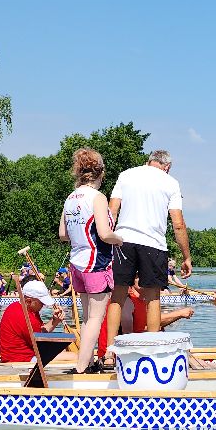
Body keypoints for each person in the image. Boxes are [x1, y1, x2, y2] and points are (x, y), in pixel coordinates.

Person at [108, 149, 194, 334]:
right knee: (153, 297)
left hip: (123, 241)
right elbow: (178, 224)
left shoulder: (126, 175)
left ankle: (109, 353)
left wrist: (106, 242)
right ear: (167, 167)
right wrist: (186, 257)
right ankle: (153, 349)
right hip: (153, 244)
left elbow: (112, 211)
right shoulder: (171, 183)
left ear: (149, 161)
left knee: (118, 296)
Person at [59, 146, 121, 372]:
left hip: (76, 263)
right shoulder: (98, 197)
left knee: (87, 318)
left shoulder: (70, 197)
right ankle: (82, 367)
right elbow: (105, 234)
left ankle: (87, 362)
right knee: (95, 318)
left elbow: (63, 234)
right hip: (96, 263)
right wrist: (119, 239)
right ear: (101, 173)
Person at [0, 279, 57, 364]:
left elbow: (41, 332)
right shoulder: (26, 318)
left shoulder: (14, 306)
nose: (44, 305)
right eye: (41, 302)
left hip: (13, 356)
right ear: (29, 301)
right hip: (21, 360)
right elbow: (41, 344)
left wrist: (55, 320)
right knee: (73, 356)